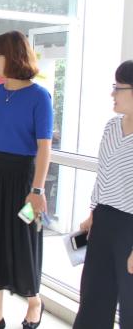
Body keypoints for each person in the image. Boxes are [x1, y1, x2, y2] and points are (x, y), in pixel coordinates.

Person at [0, 31, 53, 329]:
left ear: (14, 57)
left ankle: (34, 301)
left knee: (24, 239)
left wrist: (37, 190)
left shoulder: (40, 96)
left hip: (24, 180)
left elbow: (45, 147)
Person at [73, 60, 133, 329]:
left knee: (130, 306)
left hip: (130, 227)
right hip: (104, 219)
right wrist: (93, 213)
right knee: (93, 298)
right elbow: (103, 174)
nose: (112, 94)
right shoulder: (111, 126)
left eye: (118, 88)